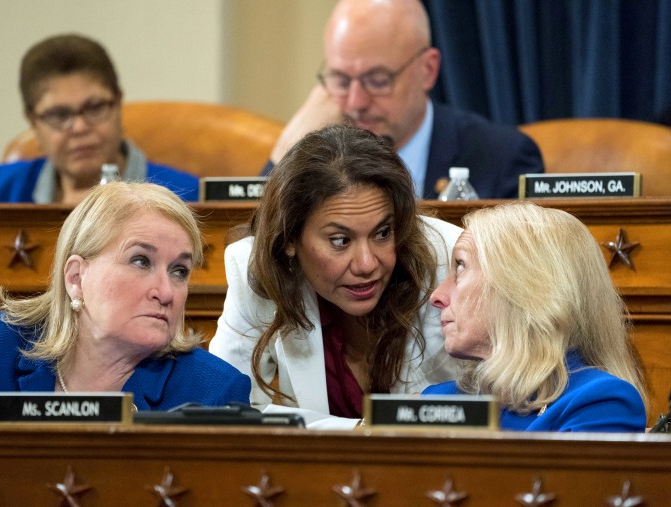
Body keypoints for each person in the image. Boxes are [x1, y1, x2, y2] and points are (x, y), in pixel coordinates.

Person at [0, 182, 250, 424]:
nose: (166, 291)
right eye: (140, 262)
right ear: (75, 277)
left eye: (179, 270)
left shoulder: (213, 390)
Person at [210, 124, 462, 429]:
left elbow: (494, 402)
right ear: (290, 239)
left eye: (382, 233)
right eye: (340, 241)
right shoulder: (256, 270)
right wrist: (358, 433)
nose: (367, 264)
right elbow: (224, 409)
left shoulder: (451, 260)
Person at [262, 0, 543, 199]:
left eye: (378, 80)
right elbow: (251, 250)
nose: (356, 102)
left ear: (428, 70)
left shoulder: (503, 159)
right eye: (342, 80)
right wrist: (287, 154)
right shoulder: (316, 159)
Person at [424, 201, 647, 432]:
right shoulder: (435, 399)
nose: (437, 296)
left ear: (525, 286)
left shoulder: (600, 403)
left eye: (460, 267)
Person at [0, 34, 199, 205]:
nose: (80, 127)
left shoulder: (185, 196)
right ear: (33, 122)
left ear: (118, 104)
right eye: (59, 115)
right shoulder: (4, 190)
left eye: (95, 107)